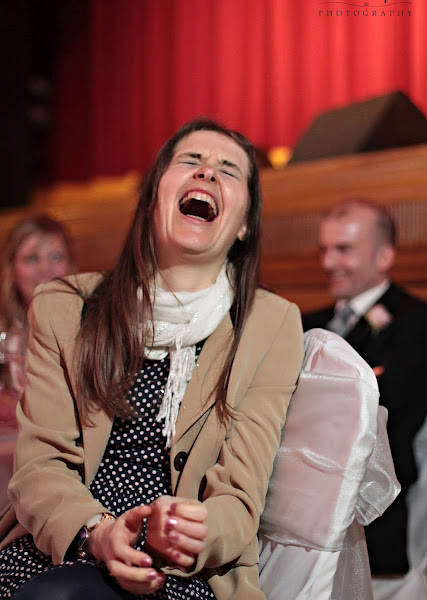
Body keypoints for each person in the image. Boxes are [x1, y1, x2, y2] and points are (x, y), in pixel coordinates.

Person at [0, 118, 304, 599]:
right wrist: (99, 533)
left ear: (245, 223)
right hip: (66, 544)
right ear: (150, 202)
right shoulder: (62, 307)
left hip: (182, 572)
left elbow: (238, 499)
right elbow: (39, 466)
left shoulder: (271, 324)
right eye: (190, 161)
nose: (206, 173)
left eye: (228, 170)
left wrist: (188, 531)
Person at [302, 199, 427, 576]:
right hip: (309, 509)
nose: (327, 263)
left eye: (343, 250)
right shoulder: (308, 322)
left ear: (384, 255)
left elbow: (381, 405)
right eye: (324, 249)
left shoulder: (417, 322)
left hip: (381, 516)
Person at [0, 215, 74, 411]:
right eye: (32, 258)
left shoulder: (91, 331)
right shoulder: (4, 333)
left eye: (56, 257)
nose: (45, 269)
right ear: (12, 269)